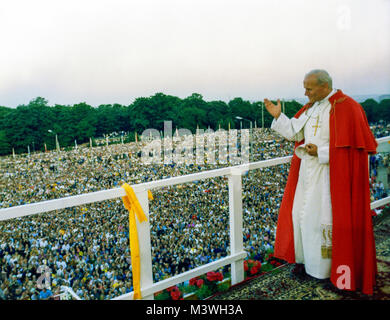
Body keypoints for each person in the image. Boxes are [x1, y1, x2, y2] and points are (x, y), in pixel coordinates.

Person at [263, 69, 378, 295]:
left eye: (309, 88)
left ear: (324, 86)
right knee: (303, 216)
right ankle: (308, 264)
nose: (305, 93)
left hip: (331, 176)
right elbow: (295, 134)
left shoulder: (348, 107)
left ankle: (329, 271)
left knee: (323, 222)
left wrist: (321, 152)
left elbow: (353, 150)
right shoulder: (311, 107)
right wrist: (278, 117)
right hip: (307, 173)